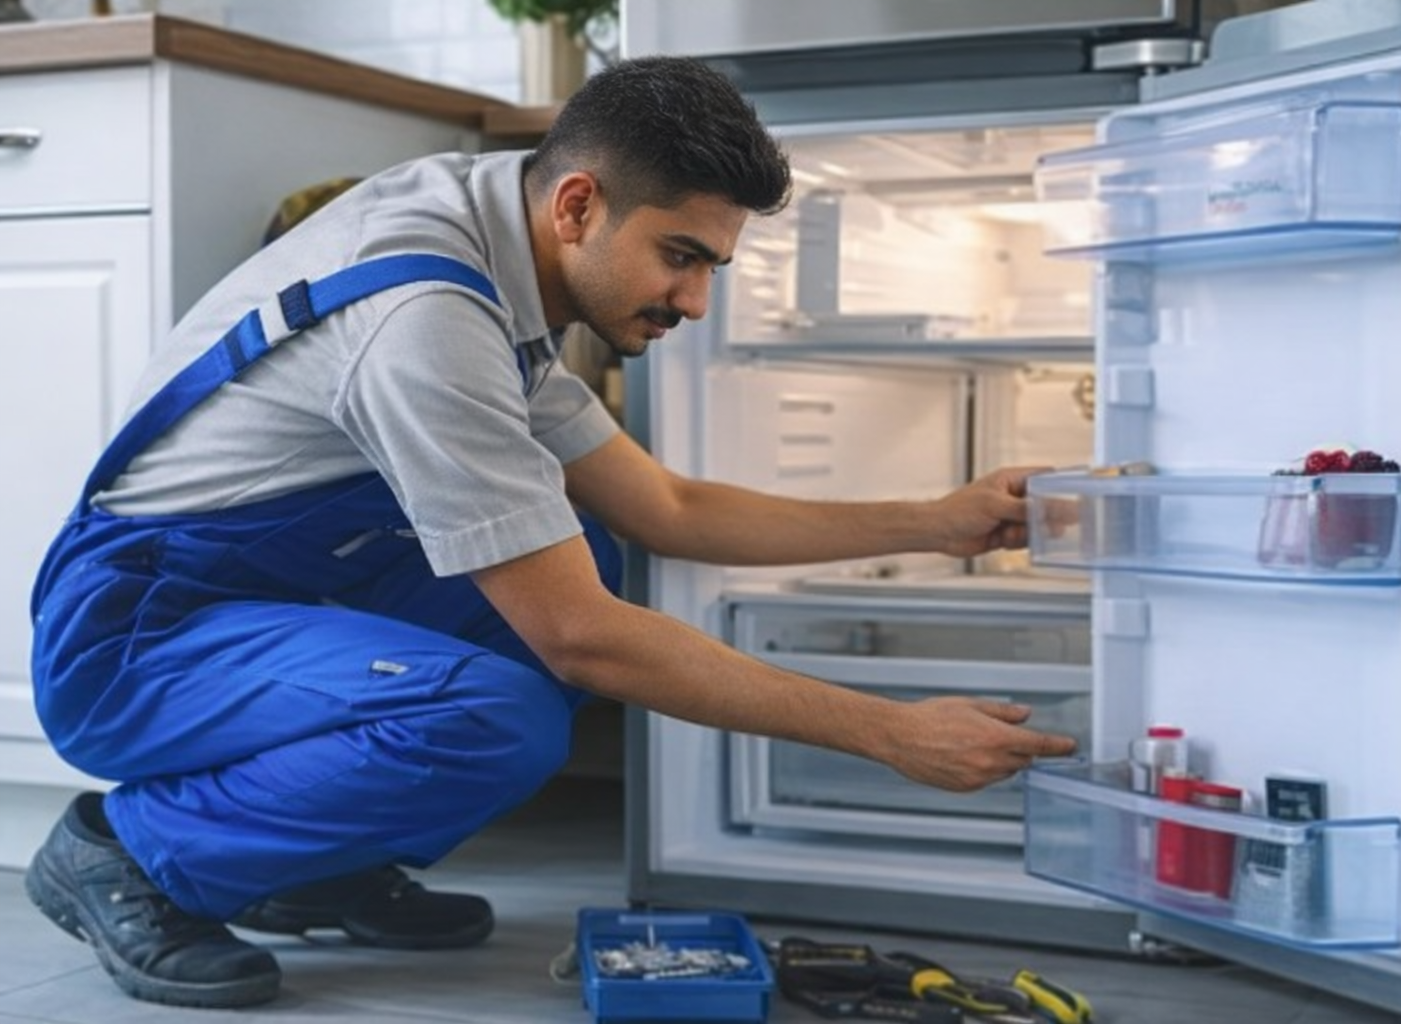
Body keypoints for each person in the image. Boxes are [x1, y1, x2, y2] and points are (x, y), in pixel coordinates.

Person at [23, 55, 1077, 1010]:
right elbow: (584, 638)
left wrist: (943, 520)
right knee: (497, 709)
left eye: (712, 265)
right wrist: (888, 731)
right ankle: (126, 848)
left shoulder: (495, 243)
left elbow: (664, 507)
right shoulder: (424, 318)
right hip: (138, 635)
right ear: (579, 203)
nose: (697, 301)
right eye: (680, 256)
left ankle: (309, 858)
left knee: (595, 550)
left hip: (265, 593)